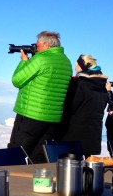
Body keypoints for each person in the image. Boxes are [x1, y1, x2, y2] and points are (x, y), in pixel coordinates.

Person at [8, 31, 72, 163]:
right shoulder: (66, 62)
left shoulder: (41, 59)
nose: (36, 48)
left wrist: (24, 62)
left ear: (46, 45)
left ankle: (10, 182)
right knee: (39, 155)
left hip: (31, 113)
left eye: (38, 45)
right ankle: (39, 182)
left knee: (15, 152)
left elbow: (17, 80)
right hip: (52, 117)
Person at [56, 54, 109, 158]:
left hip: (74, 133)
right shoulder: (102, 86)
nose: (75, 68)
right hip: (92, 135)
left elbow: (70, 107)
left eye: (76, 66)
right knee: (84, 168)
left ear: (82, 67)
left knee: (69, 168)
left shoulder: (79, 83)